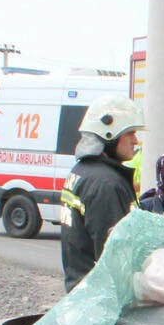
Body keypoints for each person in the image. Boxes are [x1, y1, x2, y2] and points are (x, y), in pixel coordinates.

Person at [60, 96, 143, 291]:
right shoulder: (106, 184)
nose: (135, 140)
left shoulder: (81, 171)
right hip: (100, 298)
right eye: (130, 133)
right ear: (110, 134)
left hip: (81, 290)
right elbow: (115, 257)